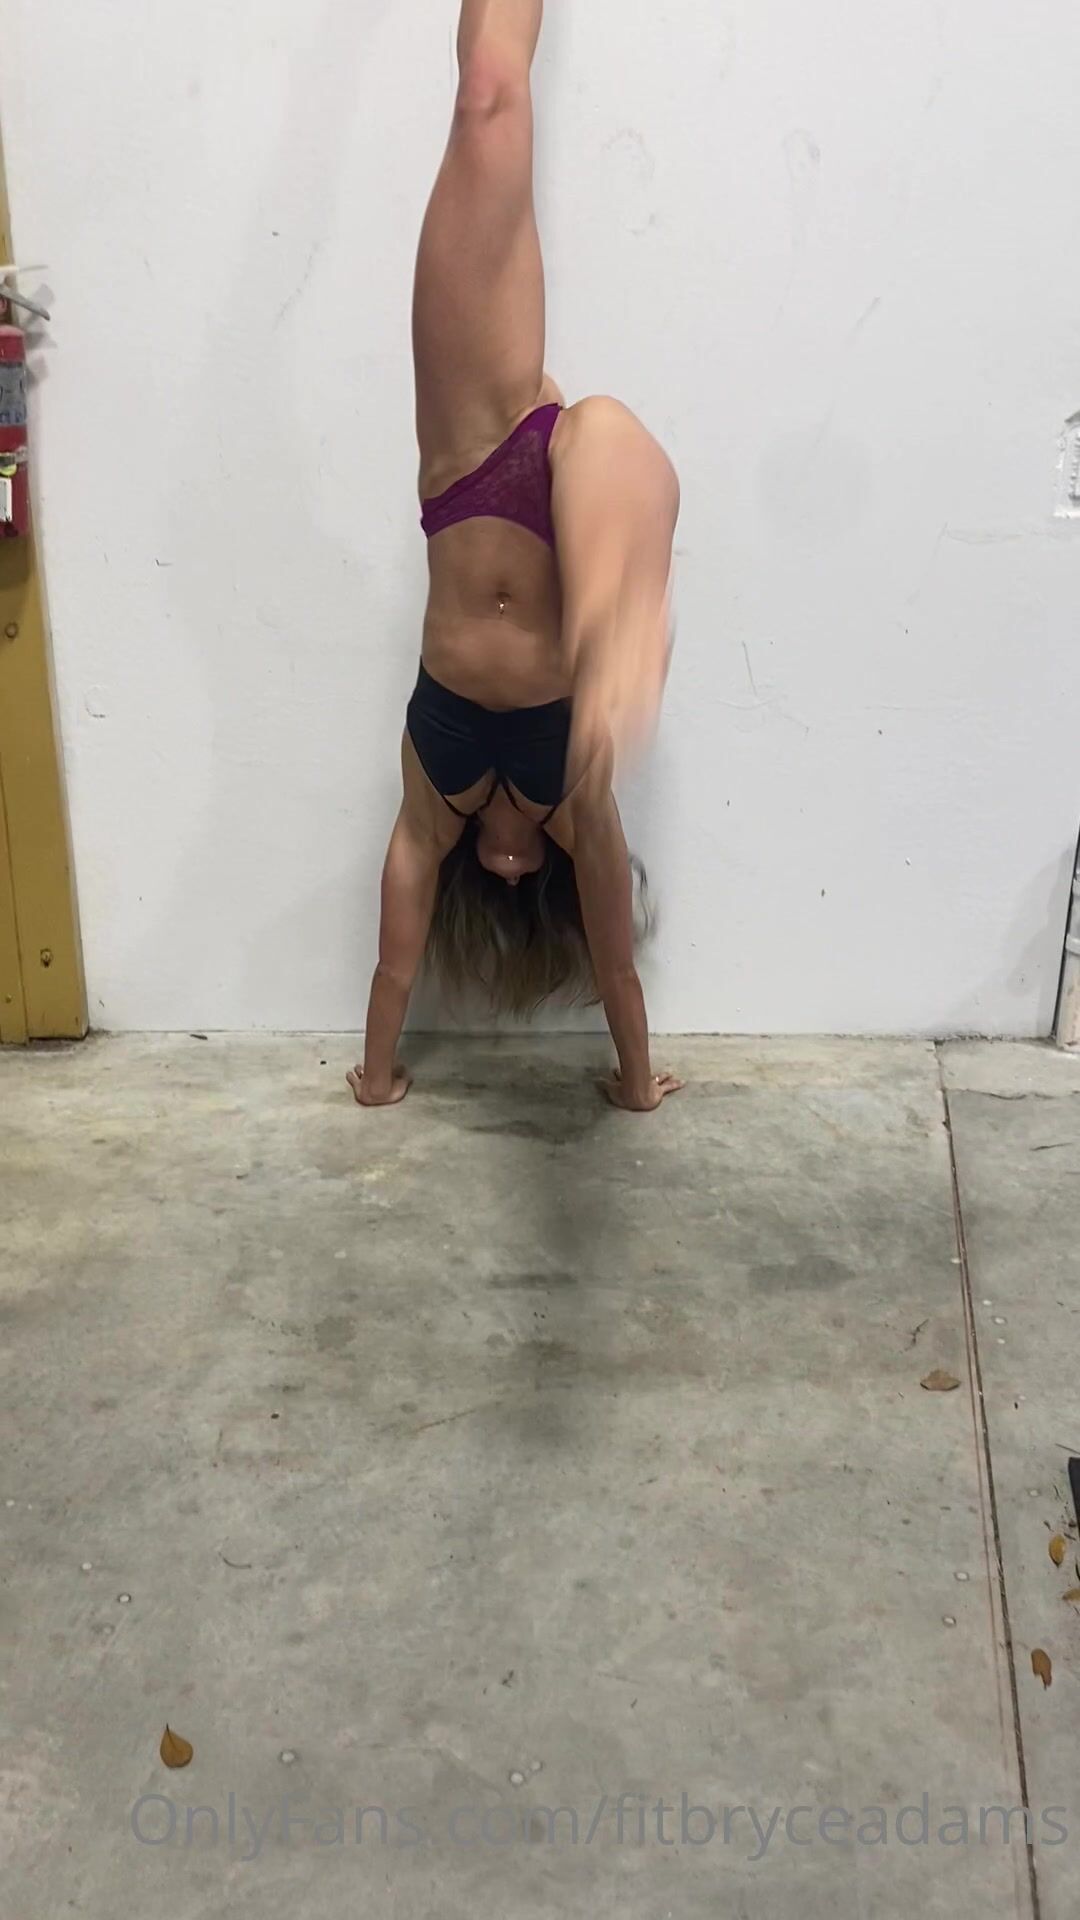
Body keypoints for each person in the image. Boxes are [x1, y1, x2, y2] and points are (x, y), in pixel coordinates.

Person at [349, 0, 682, 1114]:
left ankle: (616, 596)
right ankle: (619, 608)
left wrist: (377, 1077)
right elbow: (618, 966)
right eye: (517, 874)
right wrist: (636, 1085)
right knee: (601, 434)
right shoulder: (578, 814)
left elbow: (393, 963)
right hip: (571, 493)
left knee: (485, 101)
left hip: (471, 461)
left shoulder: (428, 810)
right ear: (542, 874)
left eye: (486, 875)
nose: (503, 861)